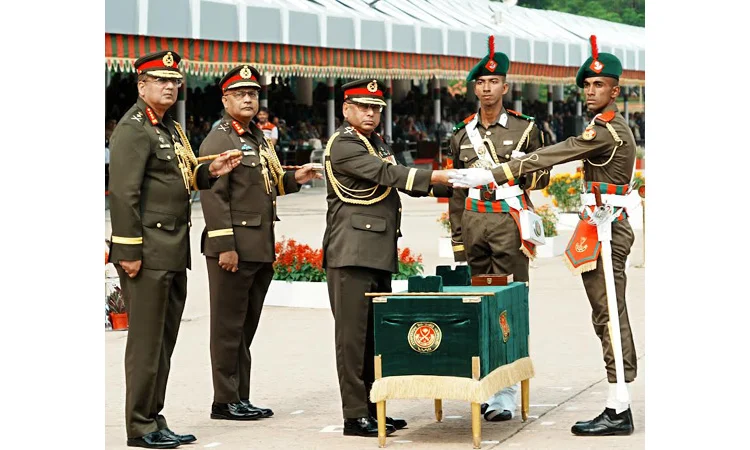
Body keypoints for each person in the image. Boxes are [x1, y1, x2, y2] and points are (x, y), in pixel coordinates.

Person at [450, 35, 638, 436]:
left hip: (607, 230)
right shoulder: (604, 125)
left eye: (599, 85)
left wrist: (498, 172)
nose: (590, 91)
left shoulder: (606, 130)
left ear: (615, 91)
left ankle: (619, 406)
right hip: (598, 225)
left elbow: (561, 152)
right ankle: (617, 401)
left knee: (608, 313)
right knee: (604, 313)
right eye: (587, 85)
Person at [108, 50, 242, 449]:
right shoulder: (134, 128)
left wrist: (210, 171)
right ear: (141, 85)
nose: (169, 87)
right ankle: (139, 425)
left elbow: (177, 176)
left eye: (174, 81)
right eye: (161, 80)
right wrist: (128, 251)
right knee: (146, 344)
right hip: (147, 252)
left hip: (171, 249)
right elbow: (124, 194)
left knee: (163, 343)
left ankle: (154, 418)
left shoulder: (169, 128)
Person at [323, 79, 454, 438]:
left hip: (376, 252)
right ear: (346, 109)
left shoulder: (376, 142)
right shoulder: (344, 144)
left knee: (373, 339)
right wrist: (436, 175)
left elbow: (401, 181)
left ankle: (373, 408)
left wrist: (452, 183)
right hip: (351, 254)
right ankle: (354, 415)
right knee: (352, 341)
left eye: (376, 108)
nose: (370, 113)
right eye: (363, 107)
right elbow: (387, 174)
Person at [199, 64, 322, 421]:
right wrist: (225, 245)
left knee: (244, 328)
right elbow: (213, 195)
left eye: (252, 94)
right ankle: (224, 400)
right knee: (228, 328)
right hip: (234, 248)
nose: (248, 99)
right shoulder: (220, 138)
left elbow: (266, 185)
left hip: (257, 246)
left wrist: (295, 178)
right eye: (240, 94)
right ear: (225, 100)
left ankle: (240, 396)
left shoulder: (256, 137)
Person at [448, 35, 550, 423]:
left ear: (505, 87)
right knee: (477, 302)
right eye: (481, 82)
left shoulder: (525, 129)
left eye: (494, 82)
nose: (487, 88)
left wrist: (521, 169)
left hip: (508, 220)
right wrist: (458, 242)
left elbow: (542, 179)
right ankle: (483, 382)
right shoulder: (461, 134)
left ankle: (505, 391)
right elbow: (455, 192)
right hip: (474, 220)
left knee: (510, 302)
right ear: (475, 88)